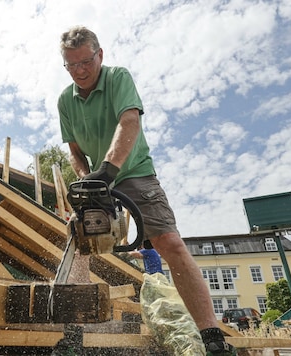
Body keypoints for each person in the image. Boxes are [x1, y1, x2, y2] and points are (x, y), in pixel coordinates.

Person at [57, 26, 236, 356]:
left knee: (170, 243)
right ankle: (73, 333)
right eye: (71, 65)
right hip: (98, 181)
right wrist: (86, 179)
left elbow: (129, 123)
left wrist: (108, 169)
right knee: (80, 247)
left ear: (100, 55)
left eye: (85, 62)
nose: (80, 71)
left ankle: (212, 336)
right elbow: (74, 150)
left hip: (134, 172)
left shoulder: (118, 78)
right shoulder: (65, 101)